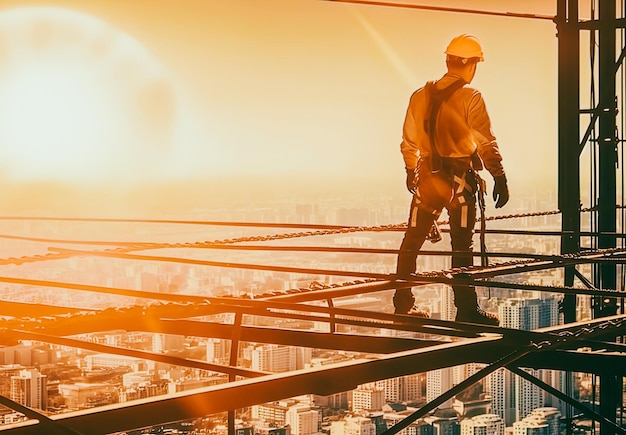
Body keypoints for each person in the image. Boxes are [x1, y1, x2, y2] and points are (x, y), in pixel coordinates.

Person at [393, 34, 509, 325]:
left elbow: (408, 142)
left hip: (426, 179)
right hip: (458, 182)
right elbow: (484, 141)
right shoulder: (471, 96)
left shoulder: (419, 95)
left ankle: (403, 306)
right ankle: (466, 310)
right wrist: (499, 176)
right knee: (461, 246)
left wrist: (411, 172)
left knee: (412, 242)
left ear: (448, 60)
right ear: (470, 64)